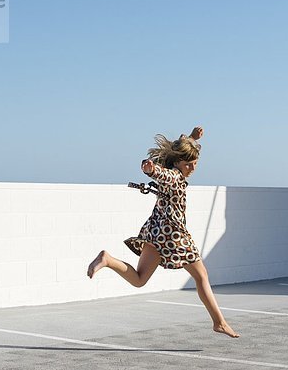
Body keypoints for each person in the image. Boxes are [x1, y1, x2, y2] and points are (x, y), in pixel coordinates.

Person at [87, 126, 239, 338]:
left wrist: (193, 139)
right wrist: (152, 170)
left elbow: (179, 154)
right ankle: (219, 322)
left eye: (195, 164)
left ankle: (108, 259)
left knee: (139, 280)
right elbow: (165, 175)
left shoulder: (178, 167)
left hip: (155, 233)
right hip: (174, 236)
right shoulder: (175, 176)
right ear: (177, 163)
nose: (192, 168)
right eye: (189, 164)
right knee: (202, 276)